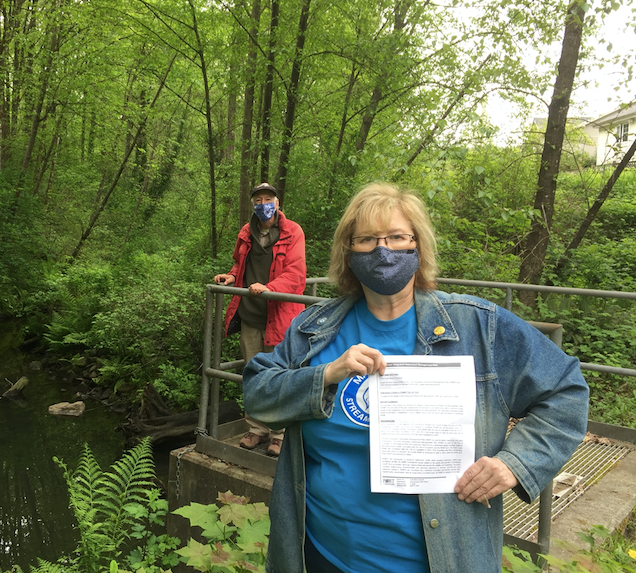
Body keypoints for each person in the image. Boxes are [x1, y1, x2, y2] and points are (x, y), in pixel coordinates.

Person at [242, 182, 589, 573]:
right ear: (348, 252)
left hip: (439, 560)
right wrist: (325, 375)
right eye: (367, 239)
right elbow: (256, 394)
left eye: (396, 236)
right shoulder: (315, 327)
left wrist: (516, 462)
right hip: (322, 554)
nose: (382, 250)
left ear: (418, 246)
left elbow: (566, 390)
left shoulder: (477, 326)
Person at [213, 182, 306, 457]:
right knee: (253, 375)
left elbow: (296, 274)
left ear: (277, 203)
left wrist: (271, 287)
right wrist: (231, 277)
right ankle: (256, 429)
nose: (263, 204)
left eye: (268, 199)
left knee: (279, 376)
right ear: (253, 204)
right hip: (250, 315)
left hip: (279, 318)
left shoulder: (293, 232)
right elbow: (239, 264)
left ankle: (278, 434)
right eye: (258, 199)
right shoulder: (246, 232)